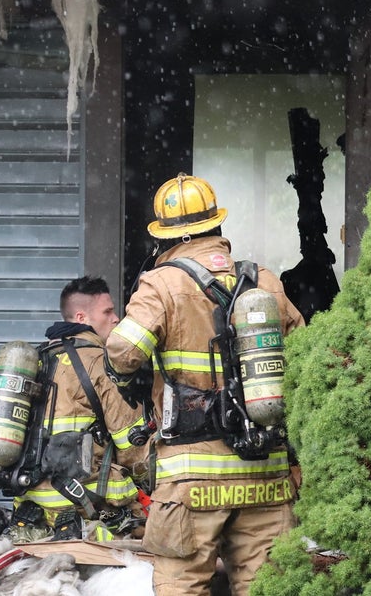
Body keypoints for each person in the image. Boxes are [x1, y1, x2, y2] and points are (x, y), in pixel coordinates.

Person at [104, 173, 305, 596]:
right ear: (217, 226)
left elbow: (123, 352)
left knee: (182, 588)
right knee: (267, 587)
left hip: (191, 476)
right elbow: (306, 359)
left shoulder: (162, 284)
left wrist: (128, 380)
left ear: (163, 237)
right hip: (265, 471)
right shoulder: (263, 280)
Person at [9, 276, 147, 543]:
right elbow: (134, 446)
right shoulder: (100, 363)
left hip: (31, 512)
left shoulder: (35, 362)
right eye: (108, 311)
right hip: (88, 512)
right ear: (82, 317)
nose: (116, 318)